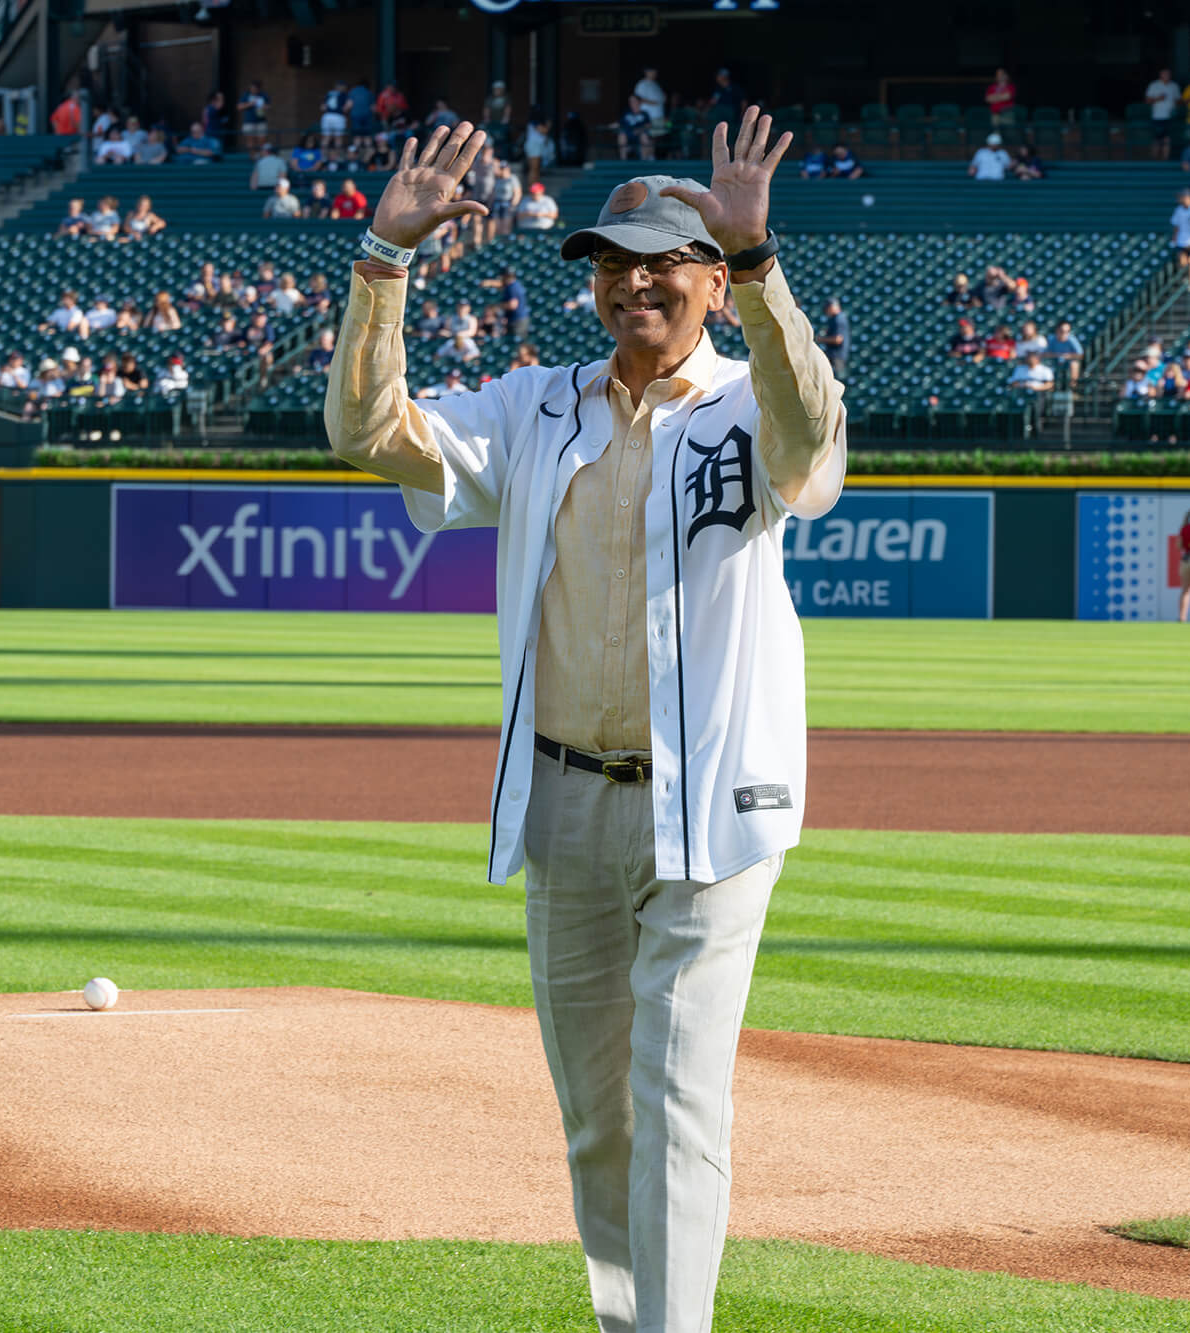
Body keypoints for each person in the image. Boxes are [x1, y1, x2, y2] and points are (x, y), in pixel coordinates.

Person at [326, 110, 843, 1333]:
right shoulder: (533, 407)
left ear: (711, 280)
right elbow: (364, 434)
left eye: (663, 258)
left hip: (708, 806)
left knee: (676, 1096)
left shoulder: (747, 403)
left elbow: (810, 443)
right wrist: (381, 266)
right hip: (562, 804)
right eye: (613, 261)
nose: (633, 281)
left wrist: (764, 270)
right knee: (598, 1115)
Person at [1146, 67, 1181, 155]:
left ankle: (1165, 159)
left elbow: (1178, 100)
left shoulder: (1174, 85)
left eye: (1168, 74)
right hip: (1157, 116)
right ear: (1160, 75)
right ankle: (1155, 160)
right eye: (1164, 74)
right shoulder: (1154, 85)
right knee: (1156, 139)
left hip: (1171, 116)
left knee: (1167, 139)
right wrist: (1158, 98)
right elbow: (1148, 101)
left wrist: (1175, 106)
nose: (1166, 75)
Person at [1044, 319, 1083, 387]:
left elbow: (1080, 355)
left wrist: (1066, 356)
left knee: (1074, 364)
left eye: (1067, 331)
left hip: (1067, 362)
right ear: (1057, 330)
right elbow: (1045, 354)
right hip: (1054, 362)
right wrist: (1059, 355)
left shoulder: (1071, 339)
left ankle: (1072, 387)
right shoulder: (1052, 339)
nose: (1064, 333)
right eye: (1062, 331)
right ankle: (1049, 388)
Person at [618, 95, 654, 162]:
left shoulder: (644, 114)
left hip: (640, 137)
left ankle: (643, 163)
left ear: (639, 102)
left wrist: (639, 130)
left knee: (644, 137)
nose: (632, 103)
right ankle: (623, 162)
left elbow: (649, 125)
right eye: (630, 101)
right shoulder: (626, 113)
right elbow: (620, 123)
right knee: (622, 136)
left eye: (634, 101)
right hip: (628, 136)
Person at [239, 80, 270, 148]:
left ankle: (261, 155)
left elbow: (269, 106)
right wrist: (251, 104)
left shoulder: (263, 95)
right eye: (252, 88)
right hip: (249, 121)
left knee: (262, 139)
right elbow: (239, 107)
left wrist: (263, 106)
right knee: (250, 140)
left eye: (255, 89)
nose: (253, 90)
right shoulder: (246, 95)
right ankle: (252, 156)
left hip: (261, 120)